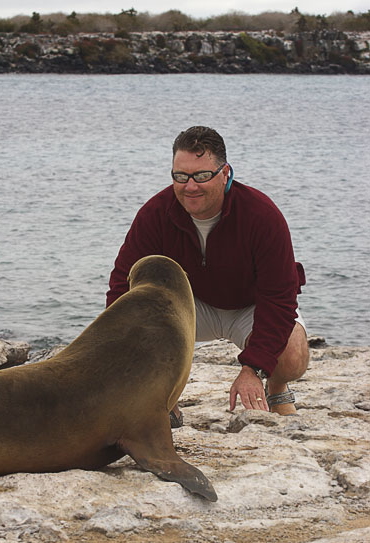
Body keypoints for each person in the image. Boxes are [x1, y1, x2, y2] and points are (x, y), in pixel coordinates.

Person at [106, 126, 309, 423]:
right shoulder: (155, 213)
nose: (190, 186)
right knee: (139, 318)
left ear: (225, 172)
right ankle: (163, 399)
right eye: (181, 176)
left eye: (202, 176)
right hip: (191, 306)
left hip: (250, 306)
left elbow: (279, 299)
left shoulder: (262, 215)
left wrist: (253, 369)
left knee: (291, 356)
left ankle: (276, 387)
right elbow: (123, 286)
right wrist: (115, 345)